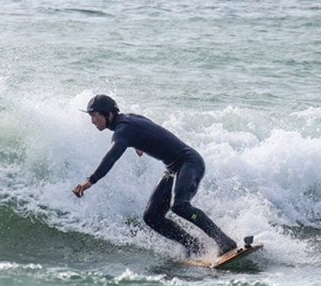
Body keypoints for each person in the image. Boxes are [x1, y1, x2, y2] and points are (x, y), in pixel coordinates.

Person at [73, 94, 237, 257]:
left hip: (189, 162)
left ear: (108, 113)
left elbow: (111, 158)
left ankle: (223, 241)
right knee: (151, 216)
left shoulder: (122, 131)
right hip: (174, 168)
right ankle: (193, 246)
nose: (92, 121)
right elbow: (148, 126)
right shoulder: (129, 120)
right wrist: (138, 143)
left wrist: (90, 181)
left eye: (94, 116)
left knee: (180, 206)